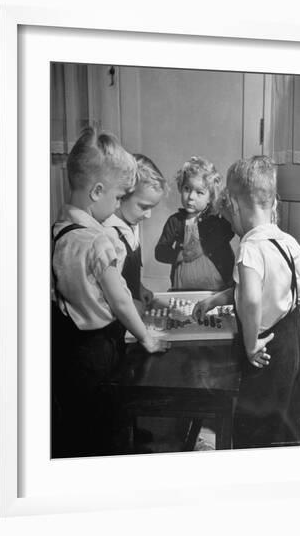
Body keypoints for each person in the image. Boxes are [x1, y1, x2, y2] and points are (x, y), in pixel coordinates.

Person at [51, 128, 163, 458]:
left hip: (68, 348)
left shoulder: (60, 231)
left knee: (80, 424)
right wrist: (146, 337)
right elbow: (120, 300)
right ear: (98, 191)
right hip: (98, 349)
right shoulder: (98, 241)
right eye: (117, 198)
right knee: (107, 427)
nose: (117, 207)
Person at [193, 155, 300, 448]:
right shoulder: (288, 241)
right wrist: (219, 298)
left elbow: (254, 298)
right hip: (293, 340)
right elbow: (299, 293)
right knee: (285, 420)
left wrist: (250, 343)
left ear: (232, 203)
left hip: (265, 346)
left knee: (255, 427)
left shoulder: (250, 248)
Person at [155, 156, 234, 291]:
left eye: (199, 193)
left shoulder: (216, 220)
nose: (191, 197)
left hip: (216, 288)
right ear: (180, 187)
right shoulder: (175, 221)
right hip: (182, 288)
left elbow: (229, 231)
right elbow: (160, 251)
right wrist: (178, 255)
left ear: (210, 197)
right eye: (187, 189)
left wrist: (203, 248)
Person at [103, 153, 167, 308]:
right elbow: (106, 291)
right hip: (118, 314)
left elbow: (126, 273)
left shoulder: (131, 226)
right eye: (144, 207)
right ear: (123, 195)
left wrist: (139, 287)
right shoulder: (108, 233)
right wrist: (130, 305)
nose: (148, 215)